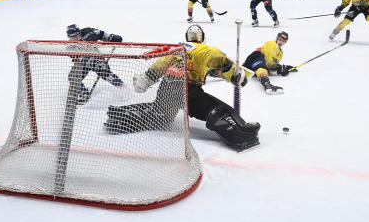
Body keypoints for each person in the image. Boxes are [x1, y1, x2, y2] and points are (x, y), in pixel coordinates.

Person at [107, 24, 260, 152]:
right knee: (216, 110)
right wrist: (231, 70)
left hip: (167, 86)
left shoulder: (178, 47)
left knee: (161, 116)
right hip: (188, 90)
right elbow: (214, 55)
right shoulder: (201, 49)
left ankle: (122, 117)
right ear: (202, 38)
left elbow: (161, 64)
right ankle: (242, 135)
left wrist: (147, 78)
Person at [66, 24, 124, 104]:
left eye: (77, 36)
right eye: (73, 38)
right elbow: (76, 58)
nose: (76, 39)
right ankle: (83, 93)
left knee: (103, 71)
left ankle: (122, 87)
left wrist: (113, 37)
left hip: (96, 56)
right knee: (73, 77)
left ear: (79, 32)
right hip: (83, 62)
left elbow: (103, 35)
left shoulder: (89, 31)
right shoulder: (69, 47)